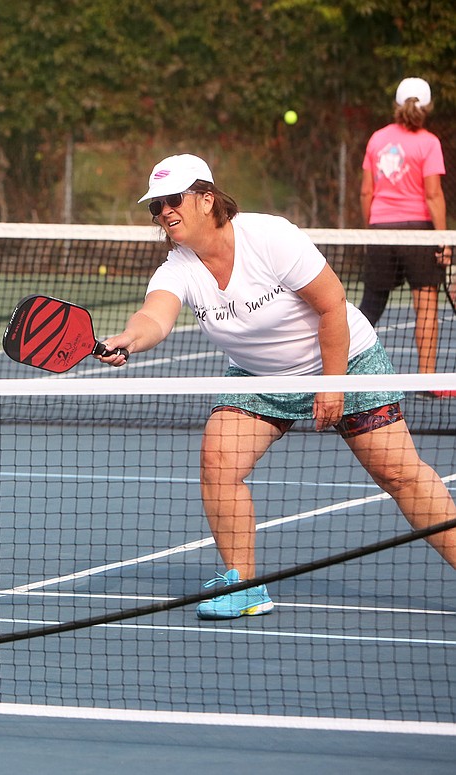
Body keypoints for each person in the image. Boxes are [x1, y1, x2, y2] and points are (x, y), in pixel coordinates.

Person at [98, 153, 456, 619]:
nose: (164, 212)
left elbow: (332, 306)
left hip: (345, 358)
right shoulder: (179, 267)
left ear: (207, 200)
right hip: (261, 376)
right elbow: (154, 316)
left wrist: (333, 385)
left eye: (173, 200)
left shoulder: (270, 236)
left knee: (401, 475)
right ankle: (247, 586)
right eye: (155, 206)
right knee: (219, 460)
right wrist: (129, 337)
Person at [359, 77, 453, 394]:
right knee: (426, 308)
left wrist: (371, 230)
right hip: (419, 233)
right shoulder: (429, 142)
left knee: (370, 306)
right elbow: (433, 196)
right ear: (427, 107)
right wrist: (443, 240)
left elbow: (365, 192)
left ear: (397, 105)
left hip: (381, 231)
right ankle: (427, 380)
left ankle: (336, 374)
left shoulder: (376, 139)